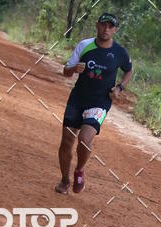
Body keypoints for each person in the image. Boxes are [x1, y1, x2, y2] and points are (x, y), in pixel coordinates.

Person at [56, 13, 133, 194]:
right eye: (103, 25)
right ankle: (65, 180)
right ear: (97, 25)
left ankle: (79, 170)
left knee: (84, 139)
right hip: (78, 98)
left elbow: (129, 70)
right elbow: (66, 71)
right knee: (67, 141)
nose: (106, 29)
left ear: (114, 30)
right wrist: (74, 68)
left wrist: (120, 87)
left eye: (110, 27)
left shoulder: (120, 52)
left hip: (100, 102)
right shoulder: (84, 45)